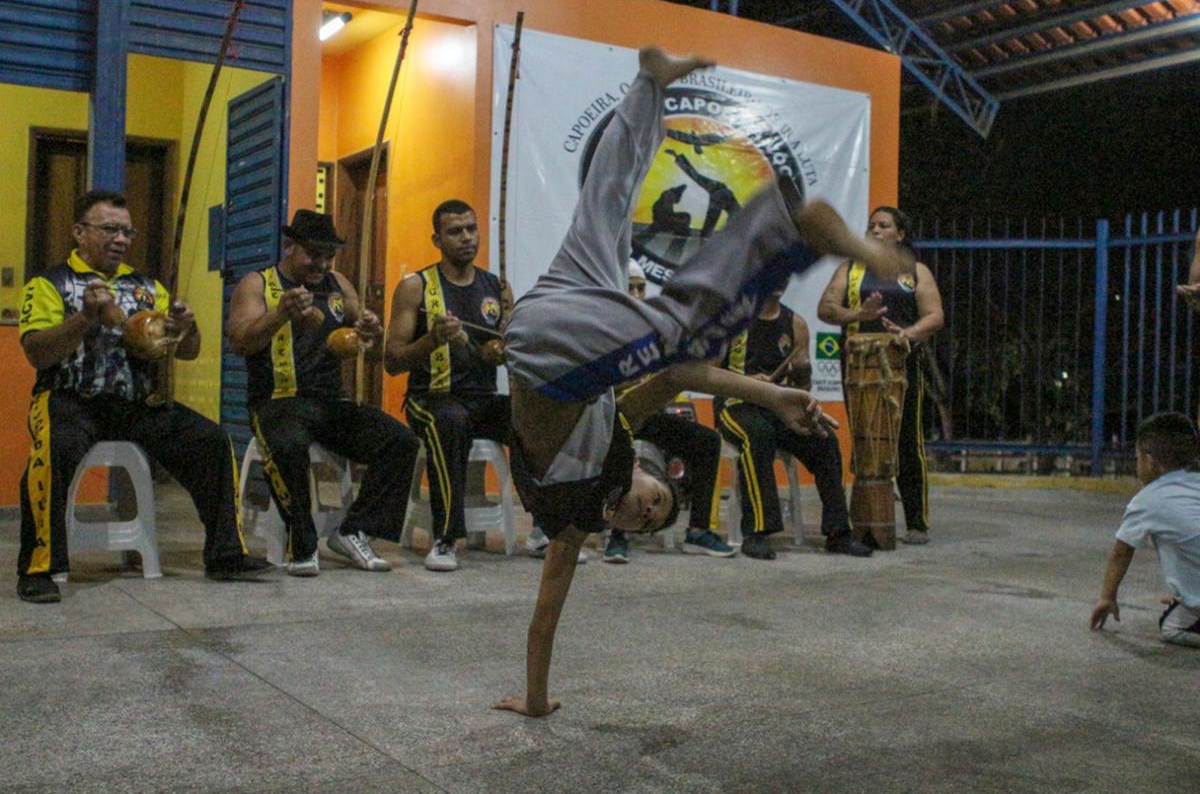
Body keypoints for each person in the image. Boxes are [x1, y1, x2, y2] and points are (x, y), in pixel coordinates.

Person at [492, 47, 909, 717]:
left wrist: (536, 699)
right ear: (652, 472)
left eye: (648, 518)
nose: (643, 511)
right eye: (656, 504)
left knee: (629, 250)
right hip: (557, 333)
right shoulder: (618, 436)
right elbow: (682, 373)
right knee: (610, 208)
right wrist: (771, 393)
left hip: (553, 332)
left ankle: (665, 98)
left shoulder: (572, 521)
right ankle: (665, 97)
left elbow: (544, 617)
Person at [15, 189, 270, 603]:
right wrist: (85, 318)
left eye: (126, 232)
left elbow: (187, 352)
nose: (120, 239)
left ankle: (225, 554)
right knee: (52, 450)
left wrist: (187, 326)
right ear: (79, 232)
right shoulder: (49, 284)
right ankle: (39, 567)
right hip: (68, 399)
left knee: (210, 439)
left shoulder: (147, 287)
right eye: (110, 229)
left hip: (136, 403)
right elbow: (36, 352)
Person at [226, 209, 419, 577]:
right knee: (288, 445)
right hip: (276, 401)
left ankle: (353, 530)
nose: (322, 263)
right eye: (313, 253)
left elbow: (361, 324)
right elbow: (240, 342)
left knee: (401, 441)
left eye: (328, 255)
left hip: (331, 403)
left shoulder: (337, 283)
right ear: (289, 247)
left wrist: (369, 325)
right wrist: (280, 313)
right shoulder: (258, 284)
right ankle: (302, 540)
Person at [384, 200, 516, 572]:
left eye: (471, 229)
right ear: (437, 239)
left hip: (483, 400)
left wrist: (504, 348)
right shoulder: (417, 288)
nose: (466, 237)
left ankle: (544, 526)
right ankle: (445, 538)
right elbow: (391, 361)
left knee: (531, 419)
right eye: (455, 231)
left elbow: (514, 344)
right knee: (451, 422)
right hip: (431, 398)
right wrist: (431, 341)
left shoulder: (499, 288)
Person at [817, 206, 944, 545]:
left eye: (883, 225)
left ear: (899, 234)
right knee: (864, 439)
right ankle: (866, 517)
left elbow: (934, 316)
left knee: (906, 441)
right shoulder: (851, 270)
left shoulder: (916, 272)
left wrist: (907, 333)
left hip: (901, 366)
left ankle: (917, 522)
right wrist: (858, 313)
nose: (874, 230)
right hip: (858, 367)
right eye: (871, 225)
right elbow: (826, 308)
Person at [718, 290, 873, 559]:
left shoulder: (796, 324)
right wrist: (749, 382)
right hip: (736, 404)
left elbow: (804, 385)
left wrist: (802, 373)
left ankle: (838, 532)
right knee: (758, 435)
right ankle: (757, 532)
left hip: (779, 406)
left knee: (824, 439)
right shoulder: (731, 321)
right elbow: (706, 373)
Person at [604, 261, 736, 563]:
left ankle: (699, 531)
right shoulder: (604, 326)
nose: (637, 293)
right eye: (630, 287)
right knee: (622, 446)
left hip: (649, 413)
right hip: (613, 416)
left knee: (706, 441)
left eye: (641, 287)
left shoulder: (657, 327)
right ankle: (618, 535)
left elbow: (688, 371)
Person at [1090, 412, 1200, 648]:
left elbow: (1121, 553)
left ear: (1150, 462)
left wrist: (1107, 597)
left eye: (1137, 458)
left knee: (1170, 626)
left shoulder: (1147, 500)